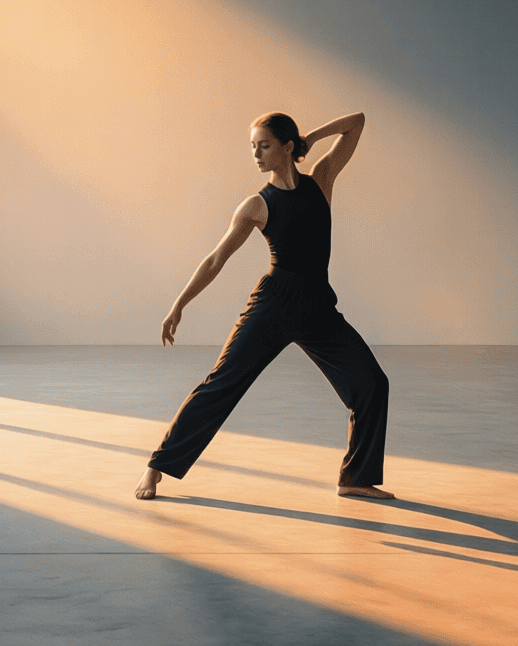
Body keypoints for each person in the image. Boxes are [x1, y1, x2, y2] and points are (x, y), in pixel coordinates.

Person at [134, 110, 392, 502]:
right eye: (253, 146)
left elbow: (356, 121)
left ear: (288, 147)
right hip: (274, 305)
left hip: (318, 306)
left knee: (372, 383)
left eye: (265, 145)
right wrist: (179, 304)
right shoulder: (256, 204)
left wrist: (311, 137)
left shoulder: (321, 180)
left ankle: (355, 478)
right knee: (221, 384)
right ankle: (155, 467)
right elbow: (215, 259)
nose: (256, 154)